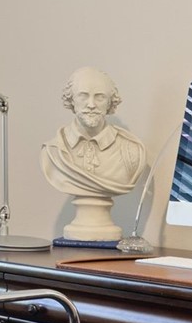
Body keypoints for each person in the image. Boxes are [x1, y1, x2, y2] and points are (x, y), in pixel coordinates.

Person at [39, 65, 149, 242]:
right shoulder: (53, 152)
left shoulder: (132, 151)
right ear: (71, 100)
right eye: (83, 96)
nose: (91, 104)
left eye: (99, 97)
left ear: (110, 102)